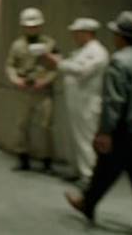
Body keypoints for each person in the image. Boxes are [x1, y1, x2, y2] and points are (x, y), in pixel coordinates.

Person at [65, 11, 132, 221]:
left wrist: (105, 130)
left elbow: (114, 100)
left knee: (105, 168)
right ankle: (87, 203)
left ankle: (87, 203)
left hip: (125, 128)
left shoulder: (120, 61)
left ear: (121, 37)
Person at [43, 18, 108, 187]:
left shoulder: (97, 52)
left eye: (76, 33)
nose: (74, 36)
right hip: (76, 102)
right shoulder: (82, 50)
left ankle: (89, 176)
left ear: (86, 33)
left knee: (85, 140)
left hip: (87, 103)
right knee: (74, 138)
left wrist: (58, 62)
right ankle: (76, 170)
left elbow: (81, 71)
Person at [5, 7, 58, 172]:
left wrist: (45, 81)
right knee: (21, 125)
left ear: (40, 25)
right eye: (28, 26)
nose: (32, 29)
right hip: (24, 89)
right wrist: (15, 79)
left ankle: (47, 160)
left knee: (46, 127)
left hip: (43, 90)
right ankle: (23, 158)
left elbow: (56, 67)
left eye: (35, 26)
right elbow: (10, 65)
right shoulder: (17, 45)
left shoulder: (50, 44)